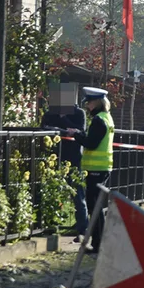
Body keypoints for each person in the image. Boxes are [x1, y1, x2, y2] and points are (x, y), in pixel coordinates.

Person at [64, 86, 114, 254]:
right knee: (97, 206)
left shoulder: (99, 120)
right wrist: (79, 132)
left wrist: (76, 135)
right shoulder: (106, 117)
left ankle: (98, 243)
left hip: (96, 169)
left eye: (90, 103)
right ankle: (99, 242)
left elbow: (91, 143)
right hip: (102, 167)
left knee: (95, 208)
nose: (87, 106)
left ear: (98, 102)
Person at [41, 85, 89, 242]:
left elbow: (79, 130)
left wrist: (63, 119)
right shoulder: (50, 113)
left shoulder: (78, 113)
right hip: (54, 157)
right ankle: (48, 224)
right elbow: (44, 127)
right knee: (49, 191)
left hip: (74, 158)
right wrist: (62, 129)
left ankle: (82, 228)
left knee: (77, 193)